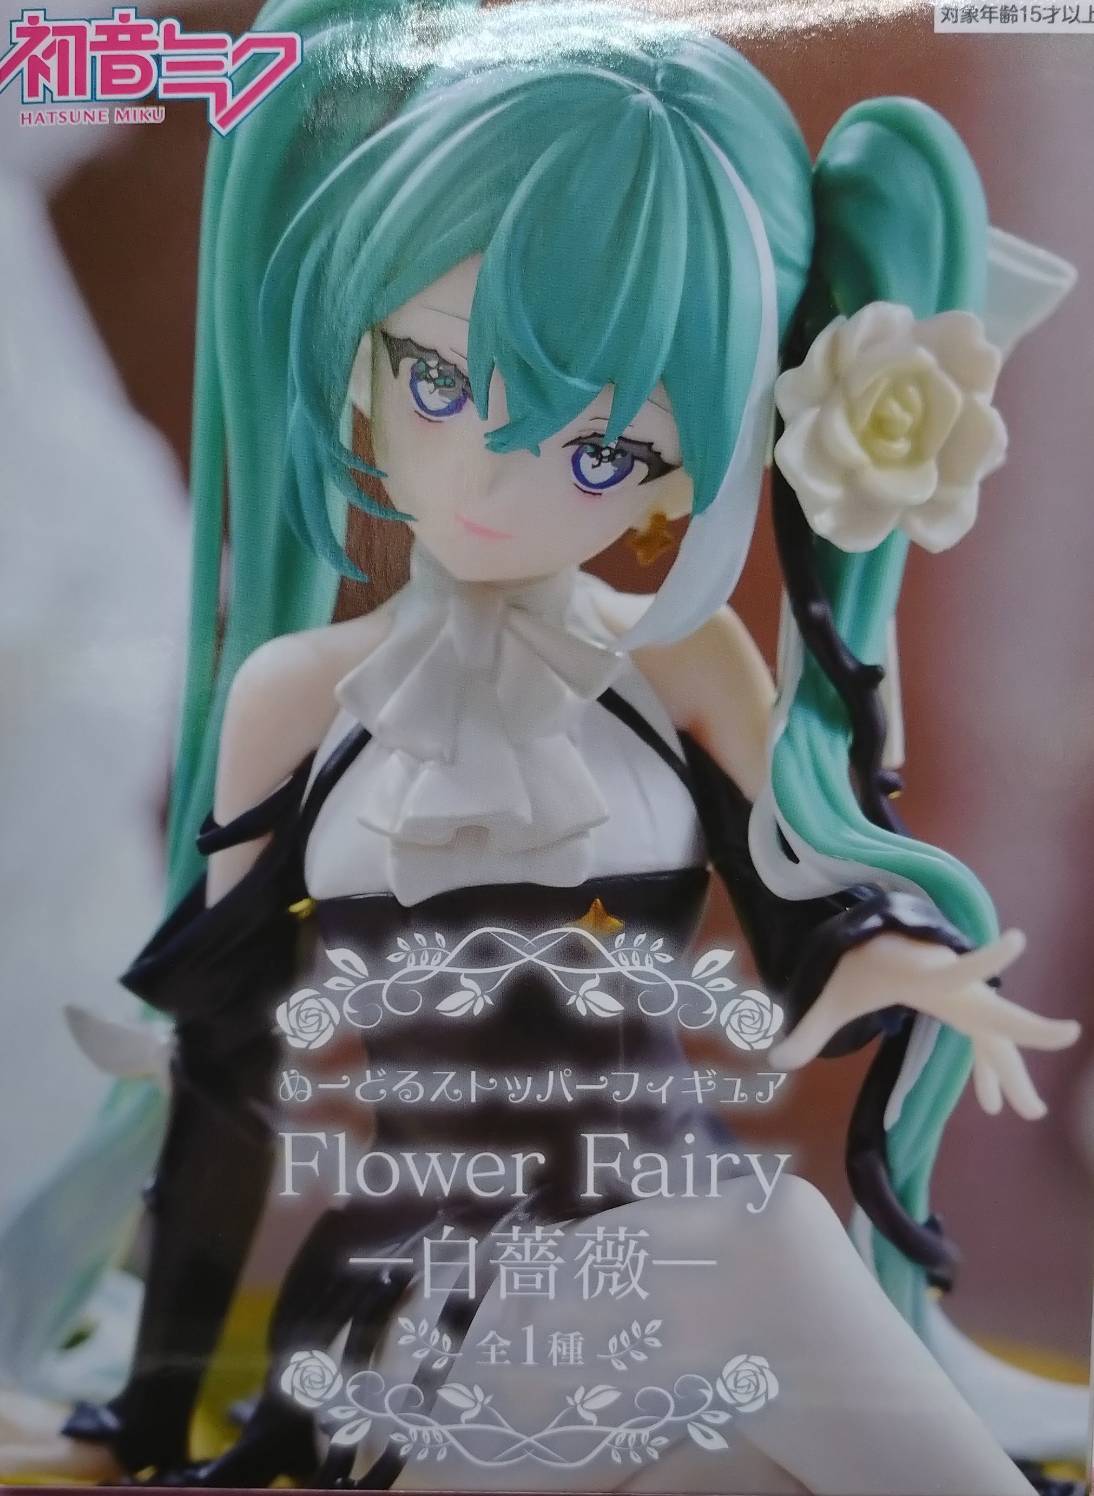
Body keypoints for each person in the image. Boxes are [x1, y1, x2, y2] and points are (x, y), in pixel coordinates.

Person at [0, 2, 1084, 1489]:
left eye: (602, 449)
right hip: (440, 1312)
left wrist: (889, 959)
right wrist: (140, 1415)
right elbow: (226, 1078)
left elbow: (805, 916)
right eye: (439, 381)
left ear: (684, 473)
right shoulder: (299, 697)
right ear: (359, 351)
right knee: (766, 1239)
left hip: (674, 1290)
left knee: (749, 1458)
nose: (493, 484)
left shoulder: (680, 663)